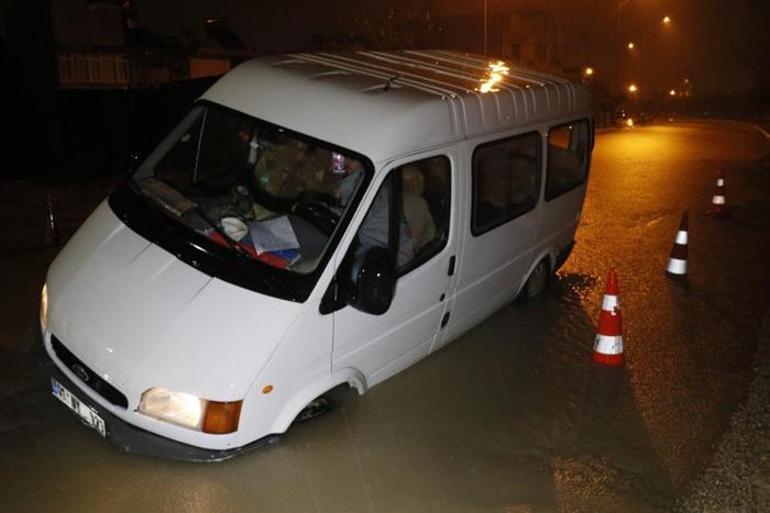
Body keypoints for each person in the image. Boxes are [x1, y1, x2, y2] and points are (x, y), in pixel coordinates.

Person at [401, 165, 436, 251]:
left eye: (412, 180)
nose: (408, 184)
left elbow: (416, 239)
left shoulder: (420, 202)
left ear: (420, 181)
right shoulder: (414, 202)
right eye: (404, 180)